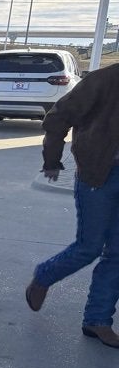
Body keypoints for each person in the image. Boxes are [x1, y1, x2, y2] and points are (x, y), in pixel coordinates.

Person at [25, 62, 119, 348]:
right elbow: (58, 117)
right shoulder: (105, 79)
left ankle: (98, 321)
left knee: (118, 253)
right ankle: (44, 276)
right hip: (100, 174)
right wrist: (52, 159)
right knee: (89, 246)